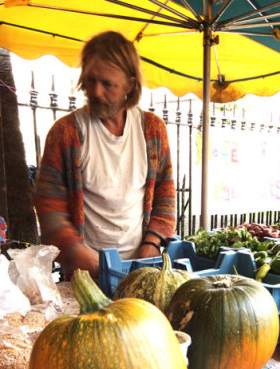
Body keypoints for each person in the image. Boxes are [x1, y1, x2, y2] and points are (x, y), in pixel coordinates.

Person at [33, 31, 176, 281]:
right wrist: (75, 249)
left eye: (107, 84)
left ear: (130, 85)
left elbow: (166, 195)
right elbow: (49, 206)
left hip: (140, 270)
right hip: (85, 275)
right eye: (90, 80)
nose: (96, 91)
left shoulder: (152, 130)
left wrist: (152, 242)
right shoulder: (66, 133)